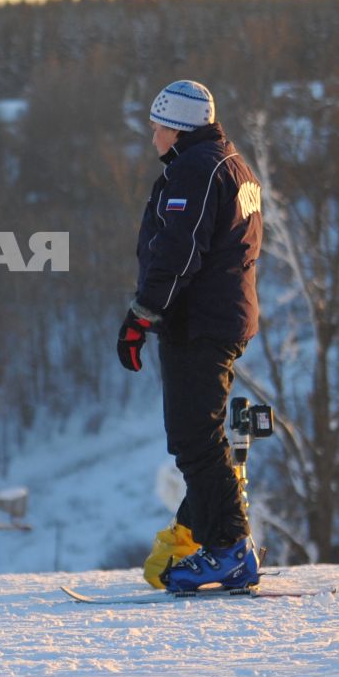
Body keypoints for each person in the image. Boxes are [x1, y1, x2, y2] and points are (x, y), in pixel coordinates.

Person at [118, 80, 265, 592]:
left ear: (177, 129)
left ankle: (229, 549)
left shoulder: (195, 171)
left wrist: (141, 317)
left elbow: (178, 255)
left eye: (157, 127)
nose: (152, 136)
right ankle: (206, 539)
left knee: (194, 438)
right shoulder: (231, 163)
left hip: (199, 323)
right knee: (197, 436)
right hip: (220, 317)